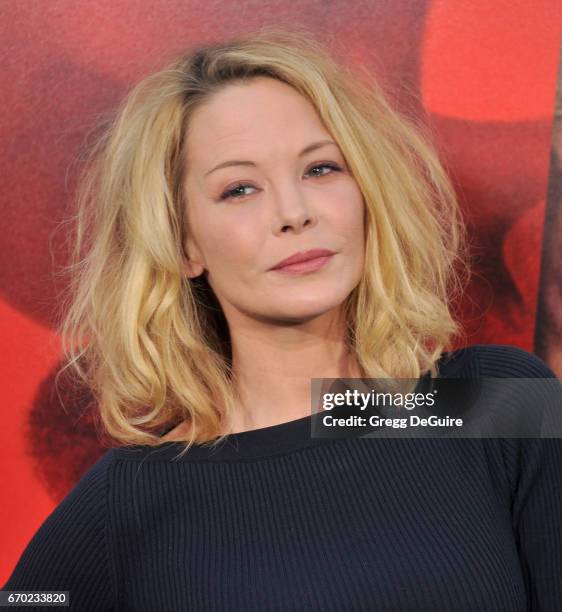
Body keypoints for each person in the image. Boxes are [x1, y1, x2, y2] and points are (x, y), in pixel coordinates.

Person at [3, 25, 561, 611]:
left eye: (320, 169)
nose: (294, 212)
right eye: (240, 189)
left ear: (367, 192)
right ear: (184, 245)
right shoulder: (136, 495)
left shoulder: (491, 401)